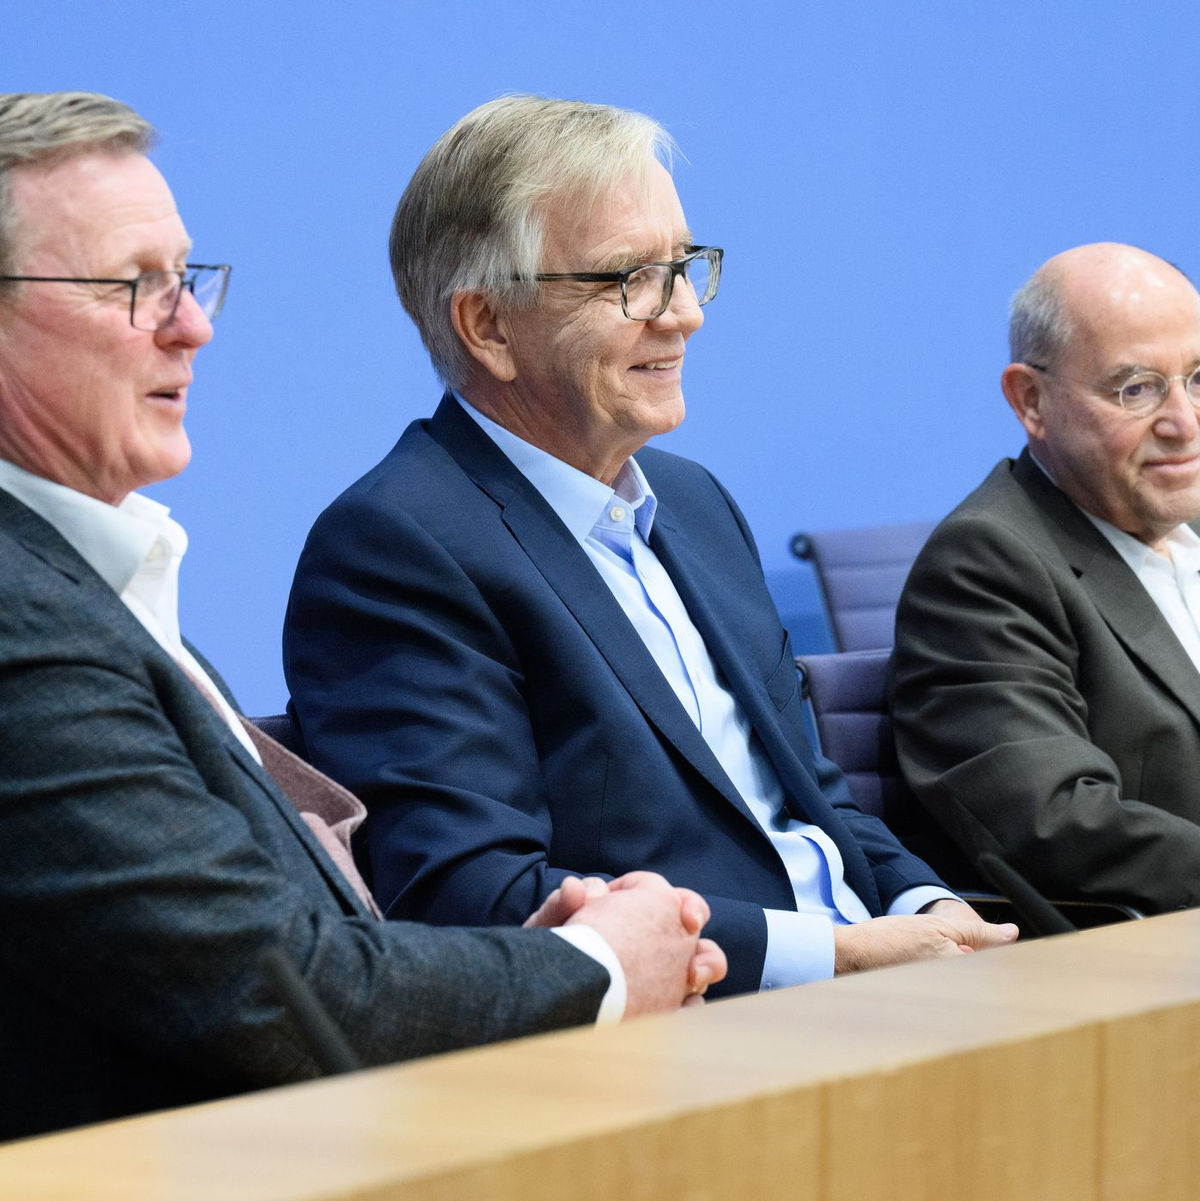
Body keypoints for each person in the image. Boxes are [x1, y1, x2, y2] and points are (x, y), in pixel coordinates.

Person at [0, 91, 725, 1145]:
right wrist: (599, 964)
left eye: (186, 279)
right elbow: (280, 993)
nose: (194, 325)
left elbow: (286, 949)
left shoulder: (88, 580)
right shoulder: (21, 621)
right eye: (132, 286)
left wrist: (529, 958)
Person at [284, 95, 1015, 999]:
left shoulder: (696, 502)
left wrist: (926, 907)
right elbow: (474, 898)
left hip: (873, 987)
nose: (685, 314)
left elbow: (812, 802)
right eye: (631, 278)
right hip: (691, 1029)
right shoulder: (396, 547)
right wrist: (838, 954)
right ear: (488, 326)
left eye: (684, 267)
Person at [891, 242, 1200, 914]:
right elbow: (1058, 822)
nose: (1184, 423)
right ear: (1031, 400)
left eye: (1199, 379)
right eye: (1137, 388)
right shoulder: (984, 565)